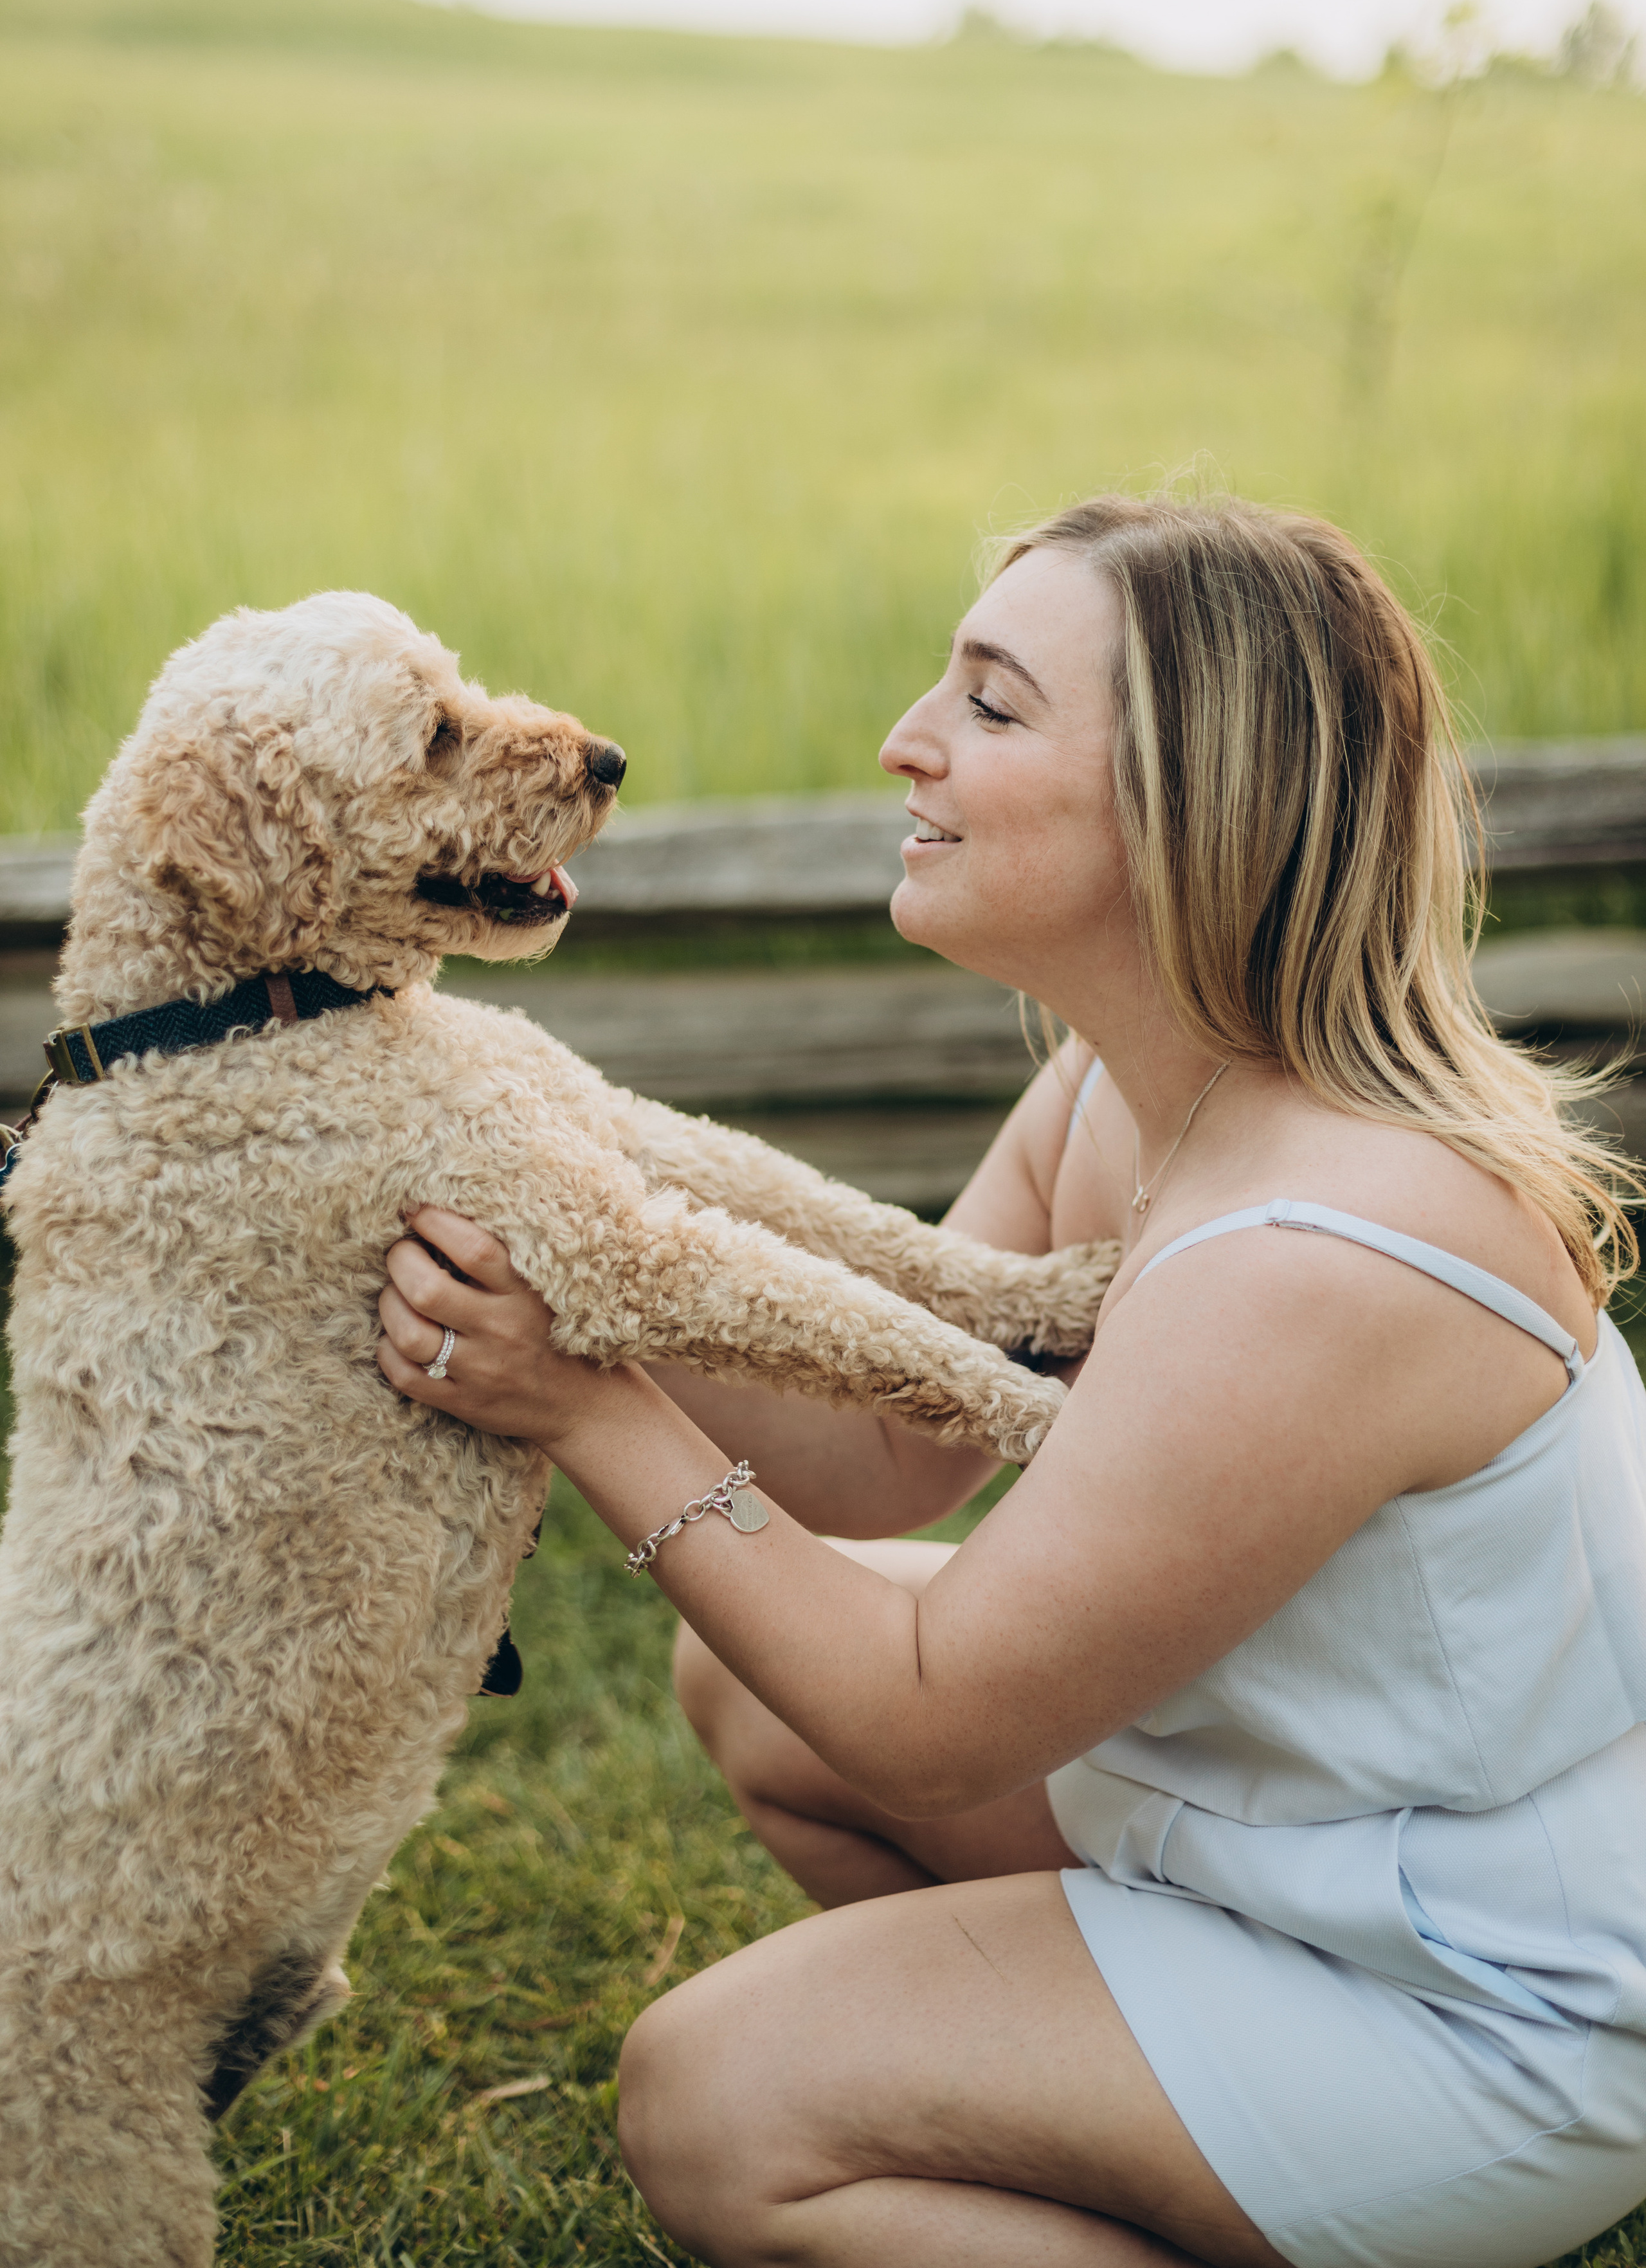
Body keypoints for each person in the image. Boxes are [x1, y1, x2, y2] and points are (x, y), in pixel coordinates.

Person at [377, 492, 1646, 2268]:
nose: (906, 741)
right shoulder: (1137, 1088)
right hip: (1276, 1837)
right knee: (754, 1675)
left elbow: (923, 1716)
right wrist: (556, 1251)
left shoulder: (1328, 1254)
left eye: (989, 704)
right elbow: (880, 1451)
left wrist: (591, 1410)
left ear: (1195, 800)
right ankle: (1116, 2132)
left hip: (1480, 1992)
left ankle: (1282, 2165)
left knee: (717, 2108)